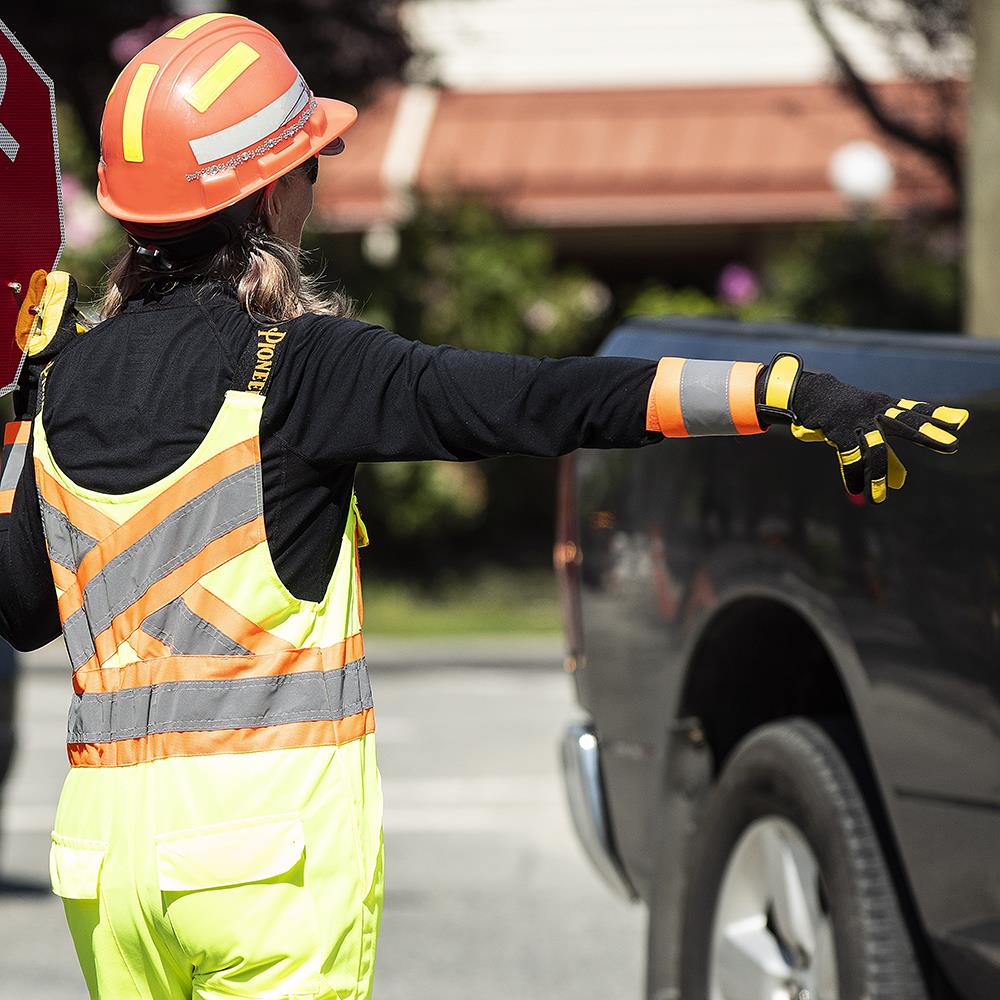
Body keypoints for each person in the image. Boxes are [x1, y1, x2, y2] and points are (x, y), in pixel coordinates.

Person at [0, 14, 968, 1000]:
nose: (313, 189)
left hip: (102, 869)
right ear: (267, 195)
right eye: (310, 167)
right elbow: (542, 399)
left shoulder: (63, 379)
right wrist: (778, 391)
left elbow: (24, 607)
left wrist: (20, 417)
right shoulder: (300, 370)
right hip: (259, 866)